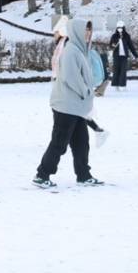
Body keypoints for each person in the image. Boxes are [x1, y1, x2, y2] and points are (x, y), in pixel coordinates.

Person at [33, 18, 103, 189]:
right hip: (65, 105)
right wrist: (86, 92)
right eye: (85, 30)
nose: (87, 33)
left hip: (76, 105)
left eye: (89, 30)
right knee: (59, 142)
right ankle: (42, 175)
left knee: (81, 143)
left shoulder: (81, 51)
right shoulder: (71, 51)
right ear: (76, 31)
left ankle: (83, 175)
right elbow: (71, 77)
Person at [108, 21, 138, 90]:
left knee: (123, 71)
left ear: (123, 28)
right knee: (116, 70)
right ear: (116, 28)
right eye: (118, 28)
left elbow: (131, 46)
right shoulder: (114, 36)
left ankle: (123, 86)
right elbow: (110, 45)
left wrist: (135, 55)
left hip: (124, 56)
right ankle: (116, 86)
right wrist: (114, 44)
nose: (120, 29)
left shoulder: (127, 36)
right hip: (116, 56)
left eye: (121, 27)